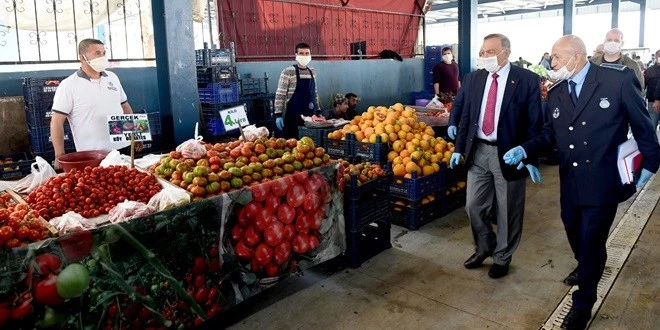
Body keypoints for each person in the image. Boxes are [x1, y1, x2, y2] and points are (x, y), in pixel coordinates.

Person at [503, 35, 660, 330]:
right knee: (575, 232)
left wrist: (651, 163)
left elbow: (643, 126)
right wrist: (527, 150)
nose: (553, 63)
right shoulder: (559, 91)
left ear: (576, 56)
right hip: (570, 181)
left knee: (590, 240)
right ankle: (589, 264)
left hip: (603, 180)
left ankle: (583, 302)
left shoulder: (617, 82)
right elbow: (551, 133)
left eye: (557, 58)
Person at [449, 33, 543, 279]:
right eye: (482, 52)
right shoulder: (472, 79)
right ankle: (484, 246)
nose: (484, 57)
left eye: (490, 52)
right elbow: (467, 117)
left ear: (507, 52)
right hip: (478, 151)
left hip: (510, 154)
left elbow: (535, 124)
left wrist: (529, 156)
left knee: (507, 210)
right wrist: (459, 148)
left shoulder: (527, 80)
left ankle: (502, 256)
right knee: (473, 205)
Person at [51, 38, 141, 169]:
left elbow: (125, 106)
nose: (103, 57)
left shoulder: (112, 78)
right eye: (97, 53)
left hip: (123, 147)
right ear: (82, 57)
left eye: (104, 53)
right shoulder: (68, 85)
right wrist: (59, 154)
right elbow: (56, 122)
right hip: (92, 154)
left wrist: (135, 134)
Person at [274, 42, 321, 138]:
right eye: (301, 53)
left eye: (307, 53)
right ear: (296, 55)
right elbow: (280, 94)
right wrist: (278, 114)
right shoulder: (288, 71)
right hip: (293, 116)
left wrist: (318, 110)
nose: (304, 56)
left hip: (310, 116)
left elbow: (314, 92)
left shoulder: (312, 71)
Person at [644, 49, 660, 130]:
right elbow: (644, 85)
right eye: (659, 56)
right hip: (652, 102)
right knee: (652, 127)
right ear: (655, 57)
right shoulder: (649, 71)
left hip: (653, 101)